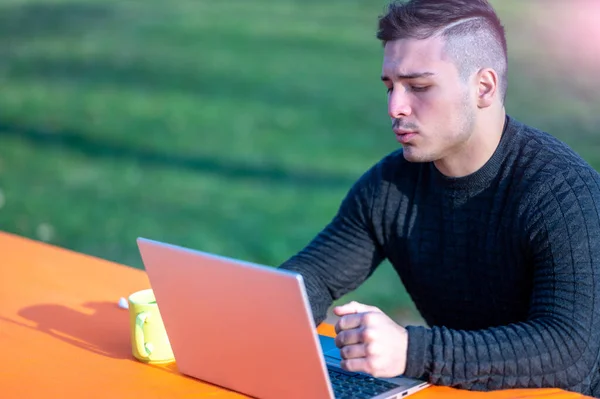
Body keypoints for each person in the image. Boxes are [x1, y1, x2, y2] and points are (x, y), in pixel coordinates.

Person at [278, 0, 600, 396]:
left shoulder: (562, 193)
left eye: (419, 87)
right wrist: (265, 313)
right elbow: (307, 281)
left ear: (483, 87)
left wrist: (411, 351)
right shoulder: (390, 186)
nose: (395, 107)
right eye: (390, 86)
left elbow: (569, 353)